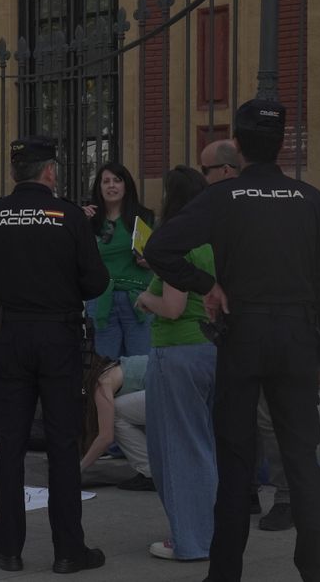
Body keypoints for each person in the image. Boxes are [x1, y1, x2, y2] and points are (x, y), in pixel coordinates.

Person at [144, 100, 320, 582]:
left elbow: (158, 248)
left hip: (243, 333)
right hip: (297, 338)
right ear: (280, 145)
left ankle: (225, 573)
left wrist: (205, 285)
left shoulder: (225, 196)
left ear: (239, 144)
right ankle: (316, 571)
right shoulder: (310, 199)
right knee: (302, 460)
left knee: (234, 465)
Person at [0, 136, 109, 575]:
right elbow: (95, 282)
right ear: (50, 172)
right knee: (63, 444)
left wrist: (7, 294)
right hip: (59, 336)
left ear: (14, 174)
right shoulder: (70, 217)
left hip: (9, 335)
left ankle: (7, 549)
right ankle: (68, 551)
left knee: (11, 445)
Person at [202, 139, 292, 531]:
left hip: (274, 326)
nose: (203, 179)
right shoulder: (225, 206)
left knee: (272, 420)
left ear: (224, 171)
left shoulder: (258, 203)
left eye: (205, 171)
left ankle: (289, 498)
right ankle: (251, 490)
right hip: (240, 329)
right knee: (247, 418)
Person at [134, 165, 218, 562]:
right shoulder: (212, 240)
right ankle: (208, 532)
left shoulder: (177, 243)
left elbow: (172, 306)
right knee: (203, 445)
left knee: (175, 450)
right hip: (208, 349)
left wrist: (144, 299)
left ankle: (189, 539)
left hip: (176, 352)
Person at [82, 162, 155, 360]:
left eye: (117, 180)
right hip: (101, 300)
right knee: (104, 367)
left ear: (126, 186)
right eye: (106, 181)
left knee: (140, 365)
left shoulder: (144, 217)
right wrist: (79, 221)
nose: (111, 186)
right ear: (99, 187)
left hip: (138, 300)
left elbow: (157, 260)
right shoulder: (89, 220)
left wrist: (149, 262)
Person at [79, 353, 155, 491]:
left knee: (115, 413)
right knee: (127, 412)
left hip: (173, 391)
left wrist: (79, 468)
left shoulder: (102, 384)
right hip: (183, 382)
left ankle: (151, 472)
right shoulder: (113, 367)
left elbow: (106, 437)